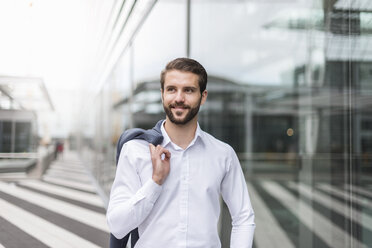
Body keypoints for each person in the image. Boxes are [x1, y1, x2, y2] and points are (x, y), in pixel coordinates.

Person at [107, 58, 255, 248]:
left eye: (189, 90)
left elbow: (243, 217)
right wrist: (155, 183)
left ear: (203, 96)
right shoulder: (135, 151)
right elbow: (117, 226)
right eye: (171, 89)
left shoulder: (223, 154)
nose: (179, 98)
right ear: (162, 94)